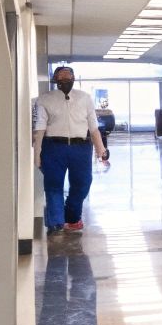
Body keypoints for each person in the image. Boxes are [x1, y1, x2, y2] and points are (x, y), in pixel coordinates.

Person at [32, 65, 110, 234]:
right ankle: (56, 222)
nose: (65, 80)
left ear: (74, 79)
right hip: (53, 147)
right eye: (61, 77)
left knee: (83, 183)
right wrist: (36, 153)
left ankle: (72, 217)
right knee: (53, 185)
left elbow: (94, 128)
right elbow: (39, 129)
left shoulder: (85, 98)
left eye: (68, 76)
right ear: (55, 80)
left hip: (81, 148)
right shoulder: (44, 99)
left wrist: (101, 151)